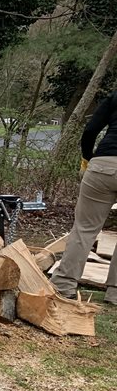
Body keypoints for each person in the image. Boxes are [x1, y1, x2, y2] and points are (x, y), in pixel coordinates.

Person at [50, 90, 117, 305]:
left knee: (85, 228)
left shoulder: (115, 96)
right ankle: (115, 292)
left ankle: (64, 285)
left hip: (103, 166)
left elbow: (90, 131)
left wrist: (88, 159)